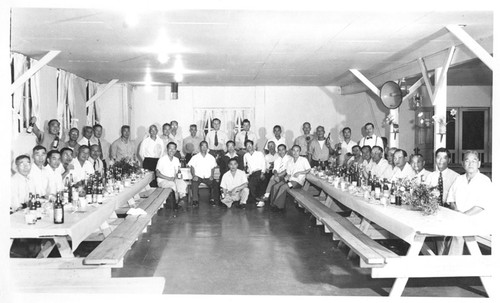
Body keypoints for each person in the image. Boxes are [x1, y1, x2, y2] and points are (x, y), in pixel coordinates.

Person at [447, 150, 492, 214]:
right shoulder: (458, 179)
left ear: (479, 164)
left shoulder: (485, 181)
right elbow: (451, 199)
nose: (470, 164)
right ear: (463, 164)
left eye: (474, 161)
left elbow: (481, 205)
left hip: (476, 221)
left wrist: (464, 216)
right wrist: (456, 211)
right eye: (467, 161)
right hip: (457, 218)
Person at [270, 145, 311, 211]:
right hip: (290, 180)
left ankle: (279, 207)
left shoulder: (303, 160)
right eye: (294, 150)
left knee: (283, 187)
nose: (295, 152)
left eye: (297, 151)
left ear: (300, 152)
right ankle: (273, 204)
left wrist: (299, 172)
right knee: (276, 186)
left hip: (297, 182)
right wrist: (287, 177)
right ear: (291, 151)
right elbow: (289, 173)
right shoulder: (290, 161)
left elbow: (308, 169)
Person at [156, 142, 188, 210]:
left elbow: (177, 172)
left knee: (182, 183)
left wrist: (179, 176)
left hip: (173, 179)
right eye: (170, 148)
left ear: (176, 150)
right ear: (167, 149)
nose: (172, 151)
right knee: (173, 184)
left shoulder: (176, 160)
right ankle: (177, 202)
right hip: (163, 181)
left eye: (173, 149)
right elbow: (157, 174)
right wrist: (169, 178)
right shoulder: (162, 159)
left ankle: (181, 199)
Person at [188, 141, 220, 207]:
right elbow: (192, 167)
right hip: (198, 176)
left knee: (214, 183)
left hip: (208, 177)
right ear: (200, 147)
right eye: (202, 146)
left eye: (206, 146)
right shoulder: (195, 157)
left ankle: (212, 199)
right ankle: (195, 200)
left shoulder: (211, 157)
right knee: (194, 182)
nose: (204, 148)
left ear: (207, 147)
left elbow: (213, 167)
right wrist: (194, 175)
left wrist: (212, 175)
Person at [243, 140, 267, 207]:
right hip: (251, 174)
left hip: (259, 172)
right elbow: (245, 166)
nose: (249, 146)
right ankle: (258, 199)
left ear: (253, 145)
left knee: (252, 184)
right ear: (245, 147)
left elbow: (263, 164)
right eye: (247, 145)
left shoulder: (259, 153)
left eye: (250, 144)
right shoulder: (245, 155)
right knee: (249, 184)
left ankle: (259, 199)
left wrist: (262, 173)